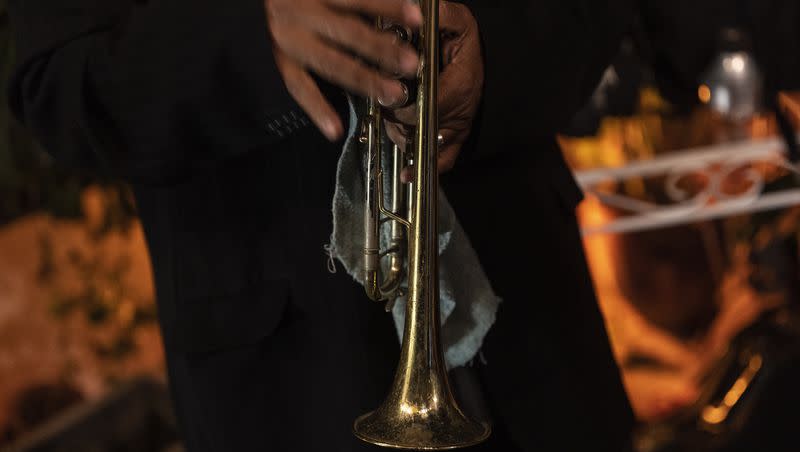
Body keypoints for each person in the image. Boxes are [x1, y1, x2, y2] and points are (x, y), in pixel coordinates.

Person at [7, 0, 634, 450]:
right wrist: (252, 40)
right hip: (289, 378)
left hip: (532, 319)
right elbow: (61, 86)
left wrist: (491, 52)